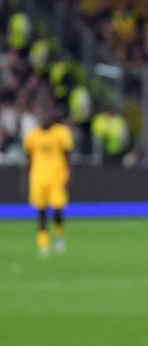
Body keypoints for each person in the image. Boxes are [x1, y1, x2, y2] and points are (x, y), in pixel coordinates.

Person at [23, 109, 74, 257]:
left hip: (57, 178)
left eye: (47, 115)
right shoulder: (33, 136)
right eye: (42, 116)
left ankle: (57, 236)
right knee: (41, 211)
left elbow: (68, 157)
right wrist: (25, 182)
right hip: (38, 178)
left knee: (58, 209)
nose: (44, 119)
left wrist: (69, 176)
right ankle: (43, 243)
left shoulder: (61, 133)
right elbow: (28, 160)